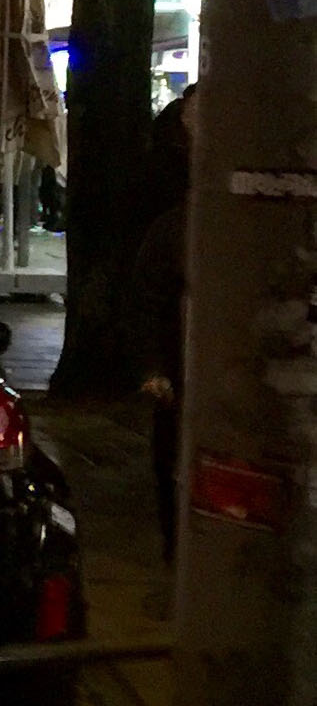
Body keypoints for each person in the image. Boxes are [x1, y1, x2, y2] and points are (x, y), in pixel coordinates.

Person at [130, 88, 196, 561]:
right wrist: (155, 367)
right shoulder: (173, 224)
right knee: (172, 462)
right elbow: (150, 297)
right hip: (179, 366)